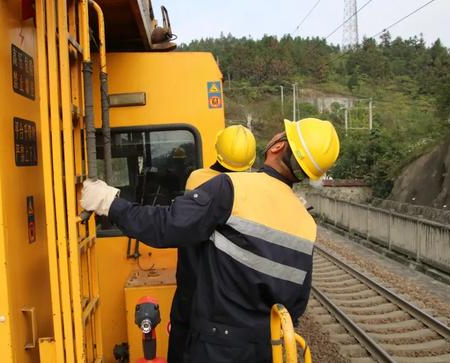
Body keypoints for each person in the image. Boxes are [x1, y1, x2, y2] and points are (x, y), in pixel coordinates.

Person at [82, 118, 340, 363]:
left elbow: (166, 226)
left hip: (216, 346)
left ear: (278, 145)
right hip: (265, 348)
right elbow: (296, 304)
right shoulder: (306, 224)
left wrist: (110, 203)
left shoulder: (233, 189)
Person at [170, 125, 256, 363]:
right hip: (226, 288)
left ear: (217, 149)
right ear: (251, 160)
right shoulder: (248, 189)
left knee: (181, 334)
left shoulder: (197, 178)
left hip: (190, 276)